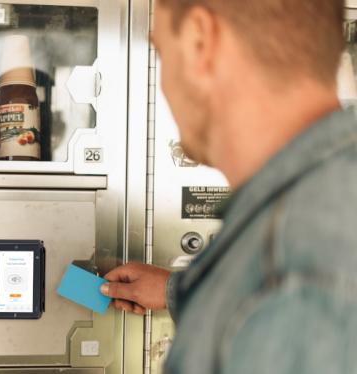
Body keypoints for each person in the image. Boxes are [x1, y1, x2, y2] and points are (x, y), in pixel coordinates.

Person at [100, 0, 357, 373]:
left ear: (200, 41)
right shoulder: (312, 219)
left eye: (160, 52)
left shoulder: (293, 266)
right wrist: (178, 289)